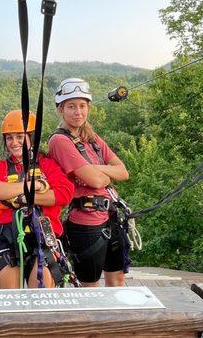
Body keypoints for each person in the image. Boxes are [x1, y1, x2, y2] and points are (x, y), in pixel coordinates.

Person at [48, 78, 131, 287]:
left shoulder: (91, 138)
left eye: (82, 106)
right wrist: (103, 174)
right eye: (71, 106)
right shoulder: (59, 141)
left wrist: (97, 169)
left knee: (117, 278)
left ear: (88, 107)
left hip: (111, 215)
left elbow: (123, 172)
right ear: (61, 109)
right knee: (89, 286)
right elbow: (95, 181)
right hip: (86, 222)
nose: (78, 112)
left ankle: (117, 319)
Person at [0, 110, 74, 289]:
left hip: (43, 235)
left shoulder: (47, 164)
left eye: (20, 137)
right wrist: (35, 186)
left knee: (41, 299)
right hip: (6, 235)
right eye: (9, 138)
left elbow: (64, 193)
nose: (14, 143)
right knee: (9, 299)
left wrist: (19, 197)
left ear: (31, 137)